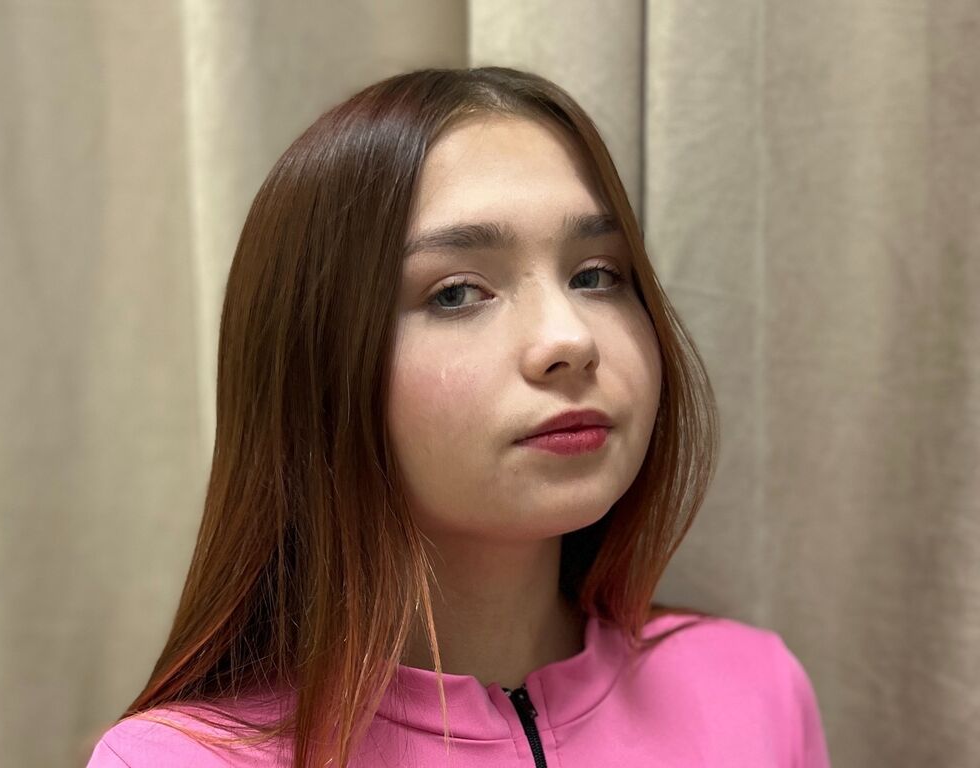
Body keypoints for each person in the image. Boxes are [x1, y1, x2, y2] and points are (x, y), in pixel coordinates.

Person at [85, 66, 830, 767]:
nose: (569, 340)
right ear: (318, 367)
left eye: (596, 275)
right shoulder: (175, 759)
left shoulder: (754, 689)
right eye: (456, 293)